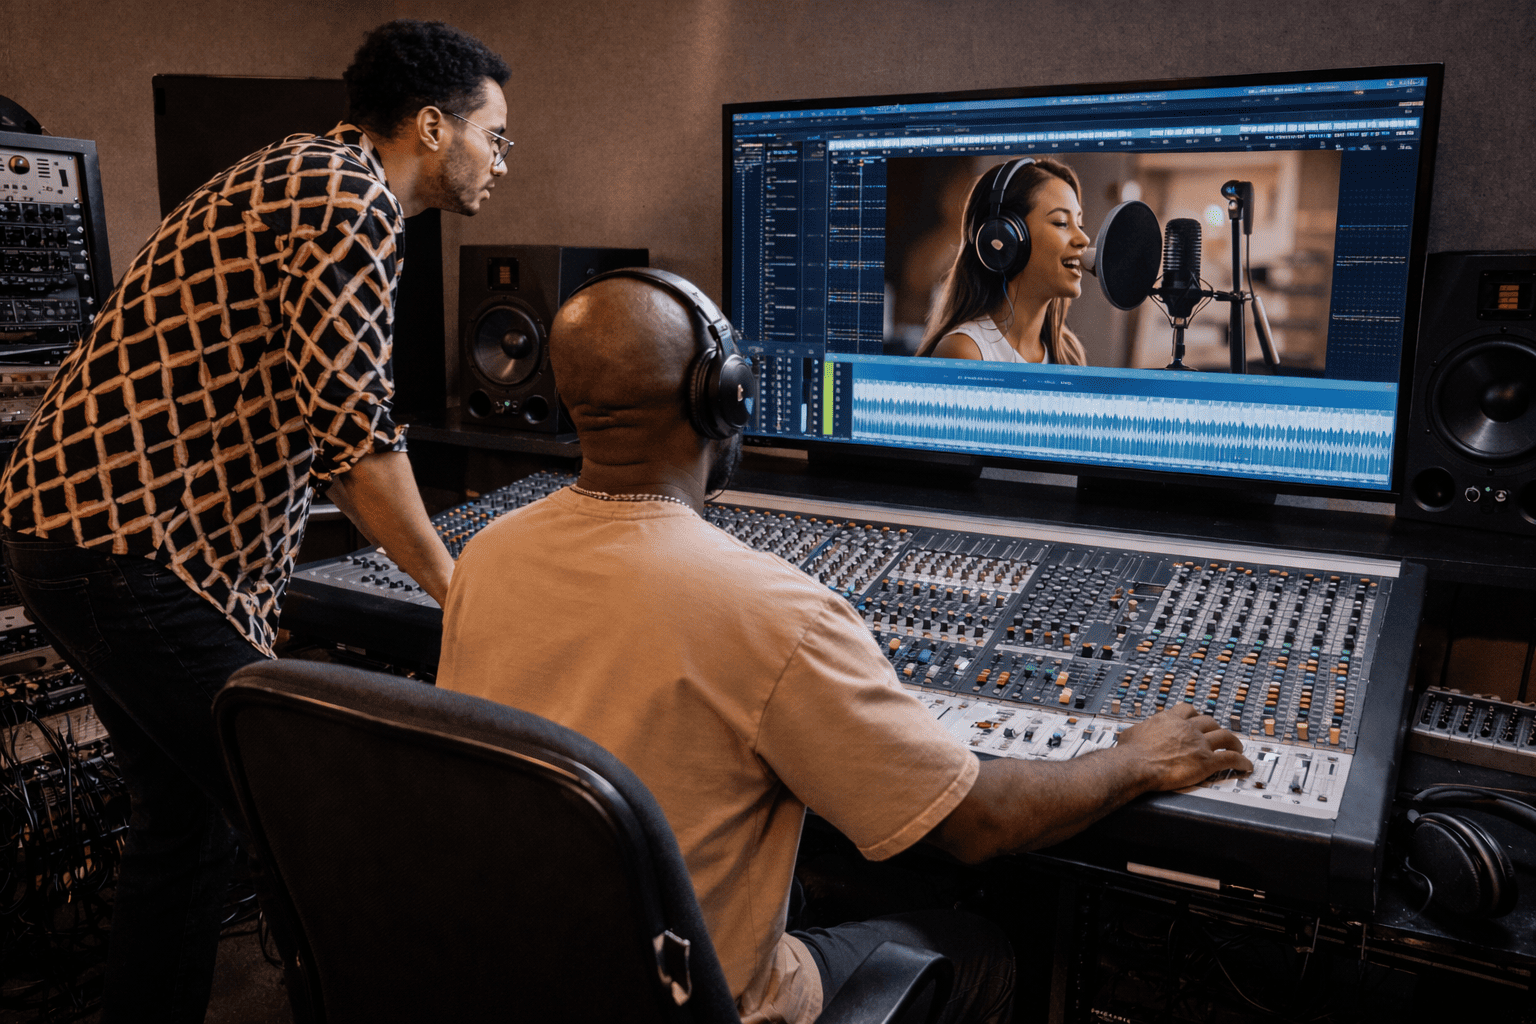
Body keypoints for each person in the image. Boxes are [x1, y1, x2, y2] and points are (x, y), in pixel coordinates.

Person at [436, 270, 1252, 1024]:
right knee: (987, 947)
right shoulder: (768, 609)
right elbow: (978, 826)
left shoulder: (486, 556)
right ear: (723, 397)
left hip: (522, 974)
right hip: (704, 1002)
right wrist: (1134, 758)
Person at [0, 19, 510, 1022]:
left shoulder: (302, 169)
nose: (502, 158)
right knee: (302, 813)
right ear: (432, 127)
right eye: (497, 132)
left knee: (185, 823)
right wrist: (463, 594)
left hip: (73, 536)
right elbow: (357, 450)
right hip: (123, 547)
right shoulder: (350, 194)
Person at [917, 157, 1091, 365]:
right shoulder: (965, 352)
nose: (1084, 239)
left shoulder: (1069, 355)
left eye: (1079, 224)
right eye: (1061, 223)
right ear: (1005, 237)